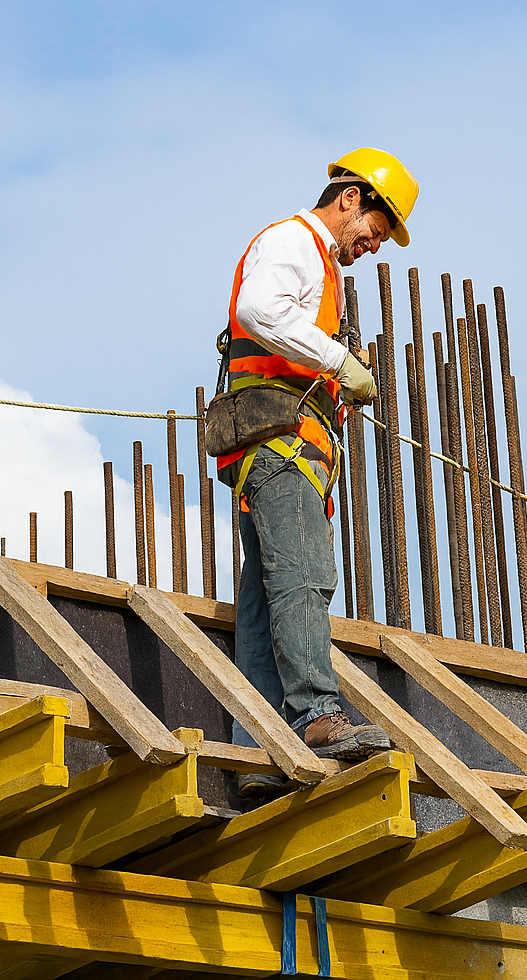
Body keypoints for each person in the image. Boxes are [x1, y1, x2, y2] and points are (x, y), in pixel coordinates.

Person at [213, 148, 418, 784]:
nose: (375, 246)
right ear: (351, 198)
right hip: (279, 447)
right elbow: (259, 310)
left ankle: (259, 748)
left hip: (278, 448)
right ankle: (316, 715)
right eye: (377, 229)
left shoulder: (323, 268)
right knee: (304, 575)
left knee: (263, 596)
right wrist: (338, 361)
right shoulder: (296, 241)